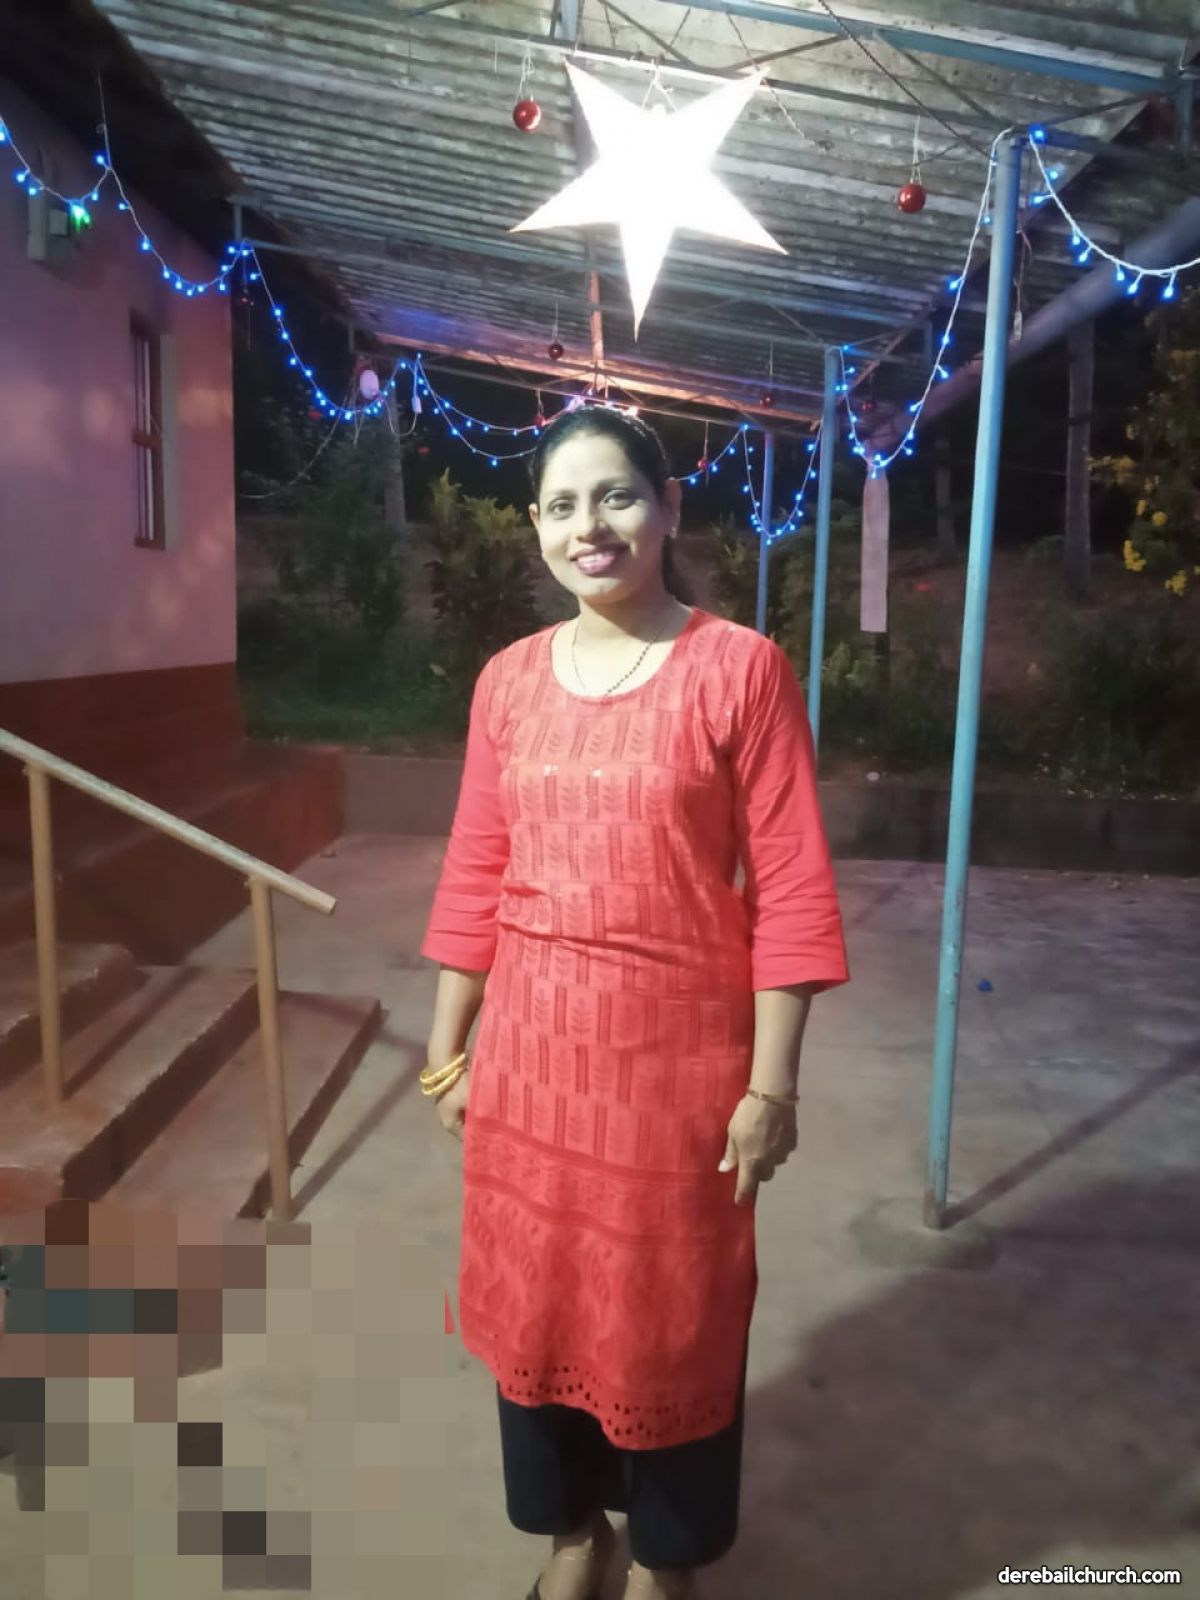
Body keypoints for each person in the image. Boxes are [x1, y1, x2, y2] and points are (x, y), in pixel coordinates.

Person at [420, 406, 849, 1600]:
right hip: (530, 1075)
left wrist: (772, 1087)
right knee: (540, 1311)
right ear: (536, 527)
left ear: (667, 507)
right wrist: (448, 1050)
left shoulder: (740, 670)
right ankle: (574, 1538)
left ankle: (665, 1562)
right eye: (561, 505)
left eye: (614, 495)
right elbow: (476, 870)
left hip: (677, 1088)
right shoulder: (508, 683)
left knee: (671, 1321)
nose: (588, 526)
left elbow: (793, 890)